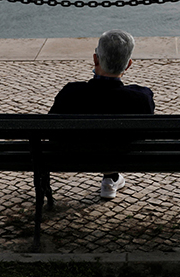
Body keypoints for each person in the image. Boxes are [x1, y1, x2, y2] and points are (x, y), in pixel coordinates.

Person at [49, 29, 155, 199]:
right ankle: (111, 176)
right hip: (121, 156)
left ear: (95, 59)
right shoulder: (142, 98)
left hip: (76, 156)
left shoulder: (70, 93)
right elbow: (143, 135)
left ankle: (111, 177)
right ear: (128, 65)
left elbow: (52, 131)